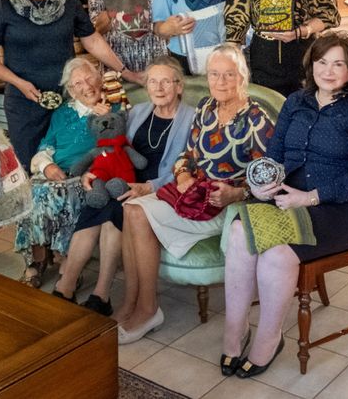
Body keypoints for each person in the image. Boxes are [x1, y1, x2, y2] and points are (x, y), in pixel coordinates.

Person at [221, 31, 348, 377]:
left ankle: (269, 339)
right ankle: (234, 334)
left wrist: (308, 197)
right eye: (321, 62)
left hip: (345, 208)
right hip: (289, 198)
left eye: (338, 63)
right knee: (239, 232)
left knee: (277, 254)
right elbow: (275, 156)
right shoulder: (297, 101)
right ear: (311, 65)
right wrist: (262, 183)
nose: (328, 70)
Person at [116, 44, 275, 344]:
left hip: (222, 205)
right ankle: (133, 303)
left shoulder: (256, 119)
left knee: (136, 210)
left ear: (242, 76)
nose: (220, 81)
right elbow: (187, 155)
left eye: (229, 74)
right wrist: (184, 173)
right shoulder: (205, 108)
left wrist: (235, 194)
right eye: (214, 74)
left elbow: (267, 177)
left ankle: (148, 310)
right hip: (192, 194)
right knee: (131, 208)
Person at [0, 0, 139, 172]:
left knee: (74, 165)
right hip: (26, 104)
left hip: (69, 100)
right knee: (35, 169)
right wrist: (19, 83)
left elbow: (91, 39)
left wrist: (126, 71)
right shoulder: (2, 4)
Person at [58, 56, 195, 316]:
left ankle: (102, 292)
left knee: (114, 212)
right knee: (93, 205)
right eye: (153, 81)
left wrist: (149, 187)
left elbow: (188, 167)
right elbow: (111, 145)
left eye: (166, 81)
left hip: (157, 189)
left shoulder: (192, 119)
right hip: (121, 180)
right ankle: (65, 286)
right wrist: (93, 173)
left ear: (179, 86)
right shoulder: (137, 112)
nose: (159, 87)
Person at [15, 57, 114, 291]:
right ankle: (36, 260)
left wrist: (106, 117)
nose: (86, 85)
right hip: (57, 171)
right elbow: (45, 147)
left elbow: (114, 147)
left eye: (89, 78)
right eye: (78, 83)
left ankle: (66, 263)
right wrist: (47, 166)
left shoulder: (113, 106)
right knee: (28, 191)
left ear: (99, 79)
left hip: (89, 173)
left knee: (62, 194)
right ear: (71, 90)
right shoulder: (62, 112)